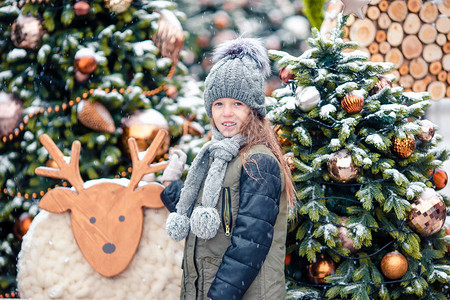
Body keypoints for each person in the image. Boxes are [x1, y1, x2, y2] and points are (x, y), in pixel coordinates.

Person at [160, 37, 296, 300]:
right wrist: (171, 185)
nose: (227, 114)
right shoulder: (218, 156)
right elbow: (211, 216)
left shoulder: (258, 162)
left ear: (253, 110)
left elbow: (250, 243)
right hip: (207, 287)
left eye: (237, 104)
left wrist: (218, 295)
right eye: (219, 104)